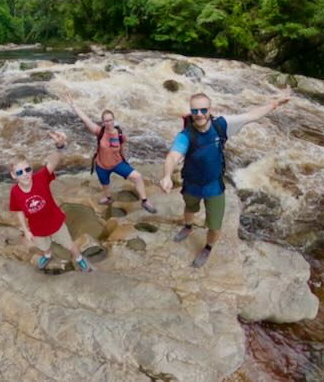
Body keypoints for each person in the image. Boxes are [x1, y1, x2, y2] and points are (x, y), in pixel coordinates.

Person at [158, 89, 291, 268]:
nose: (199, 114)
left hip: (214, 185)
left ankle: (207, 248)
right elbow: (173, 156)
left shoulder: (222, 125)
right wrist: (166, 176)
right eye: (195, 111)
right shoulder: (186, 135)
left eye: (203, 110)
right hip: (192, 183)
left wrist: (275, 103)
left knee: (214, 225)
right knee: (190, 208)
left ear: (210, 110)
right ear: (191, 112)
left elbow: (252, 115)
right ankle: (188, 227)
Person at [9, 130, 93, 272]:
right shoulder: (15, 192)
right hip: (38, 229)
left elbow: (52, 162)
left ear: (31, 169)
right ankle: (48, 256)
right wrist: (26, 230)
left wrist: (59, 147)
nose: (24, 174)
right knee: (44, 247)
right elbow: (19, 212)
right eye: (19, 172)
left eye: (27, 169)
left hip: (56, 223)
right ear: (13, 175)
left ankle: (79, 258)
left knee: (69, 245)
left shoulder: (41, 178)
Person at [60, 93, 157, 214]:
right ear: (103, 122)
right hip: (101, 166)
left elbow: (122, 149)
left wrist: (125, 162)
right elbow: (85, 119)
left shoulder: (121, 135)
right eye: (106, 121)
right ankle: (108, 198)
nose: (108, 123)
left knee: (137, 176)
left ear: (114, 120)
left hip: (117, 163)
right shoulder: (99, 131)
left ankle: (144, 201)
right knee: (105, 184)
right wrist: (73, 105)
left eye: (110, 120)